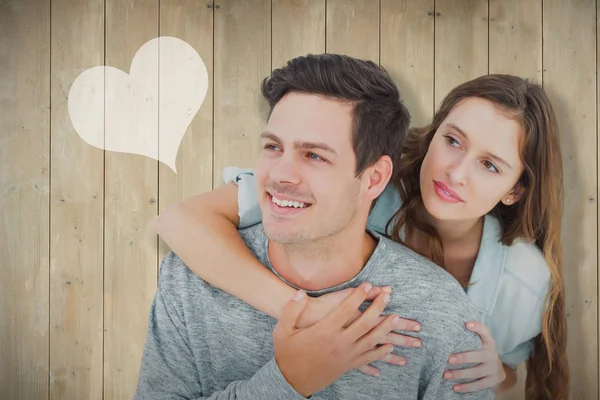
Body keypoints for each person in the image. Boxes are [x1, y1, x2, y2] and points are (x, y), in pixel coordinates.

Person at [154, 71, 570, 398]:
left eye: (490, 165)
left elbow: (508, 371)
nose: (455, 173)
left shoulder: (524, 283)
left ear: (516, 189)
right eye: (453, 141)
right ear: (434, 133)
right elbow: (179, 221)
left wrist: (496, 374)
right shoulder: (361, 187)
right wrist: (296, 308)